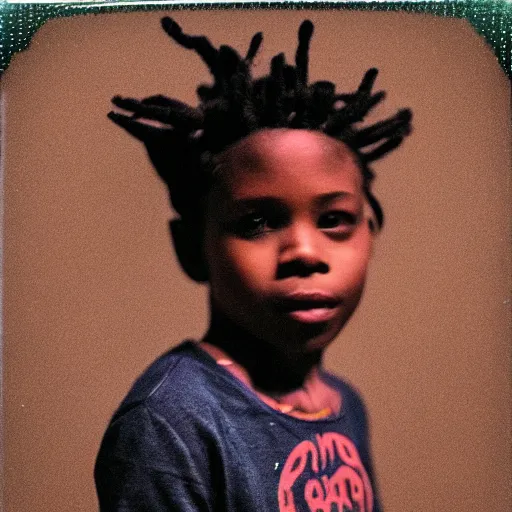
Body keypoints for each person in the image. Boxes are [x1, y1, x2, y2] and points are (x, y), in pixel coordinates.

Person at [94, 17, 412, 512]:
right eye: (259, 222)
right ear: (192, 248)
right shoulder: (171, 422)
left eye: (334, 219)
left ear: (370, 236)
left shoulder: (344, 406)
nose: (305, 252)